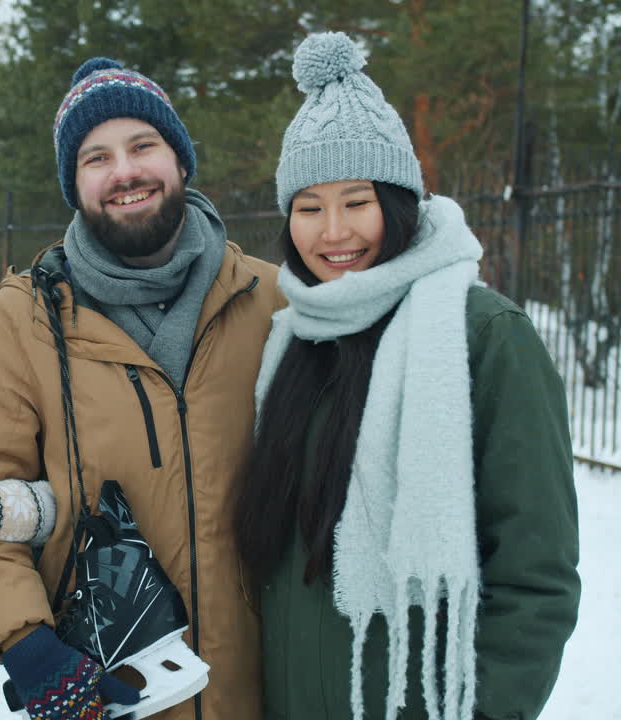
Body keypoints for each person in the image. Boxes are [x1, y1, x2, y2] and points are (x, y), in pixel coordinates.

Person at [233, 32, 580, 720]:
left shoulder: (483, 336)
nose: (333, 232)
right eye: (309, 207)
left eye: (356, 201)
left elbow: (536, 575)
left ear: (397, 202)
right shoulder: (290, 341)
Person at [0, 58, 285, 720]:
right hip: (106, 692)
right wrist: (30, 647)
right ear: (74, 183)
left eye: (143, 145)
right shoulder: (20, 322)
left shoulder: (272, 301)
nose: (123, 172)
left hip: (264, 689)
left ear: (181, 162)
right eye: (96, 157)